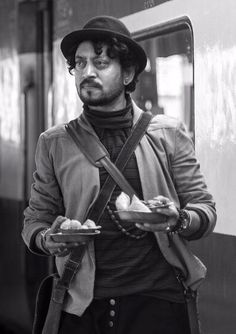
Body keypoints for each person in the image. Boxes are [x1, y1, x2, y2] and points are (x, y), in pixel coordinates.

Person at [22, 15, 216, 334]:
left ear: (127, 73)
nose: (88, 72)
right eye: (80, 64)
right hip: (82, 309)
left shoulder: (169, 134)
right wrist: (51, 239)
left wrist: (177, 219)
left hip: (158, 306)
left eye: (100, 63)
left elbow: (205, 211)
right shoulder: (54, 143)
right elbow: (35, 221)